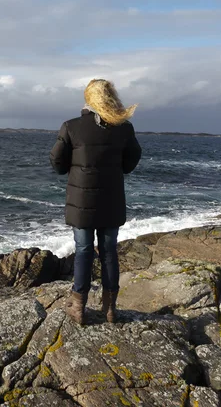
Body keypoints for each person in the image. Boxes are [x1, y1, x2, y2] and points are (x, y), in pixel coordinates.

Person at [50, 79, 142, 324]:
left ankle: (78, 307)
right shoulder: (124, 128)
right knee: (109, 252)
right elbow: (131, 163)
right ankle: (110, 309)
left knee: (83, 250)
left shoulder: (71, 127)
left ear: (88, 98)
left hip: (81, 201)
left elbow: (57, 164)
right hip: (111, 199)